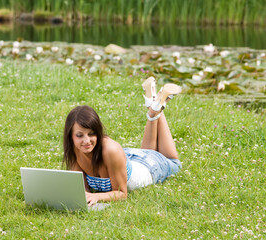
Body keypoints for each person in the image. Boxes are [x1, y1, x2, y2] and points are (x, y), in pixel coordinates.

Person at [63, 77, 182, 206]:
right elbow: (83, 191)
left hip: (149, 168)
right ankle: (154, 106)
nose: (86, 141)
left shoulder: (110, 149)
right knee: (148, 151)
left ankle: (157, 108)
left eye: (91, 134)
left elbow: (121, 193)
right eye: (80, 135)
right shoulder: (75, 149)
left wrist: (96, 196)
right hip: (128, 158)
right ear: (71, 136)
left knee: (174, 162)